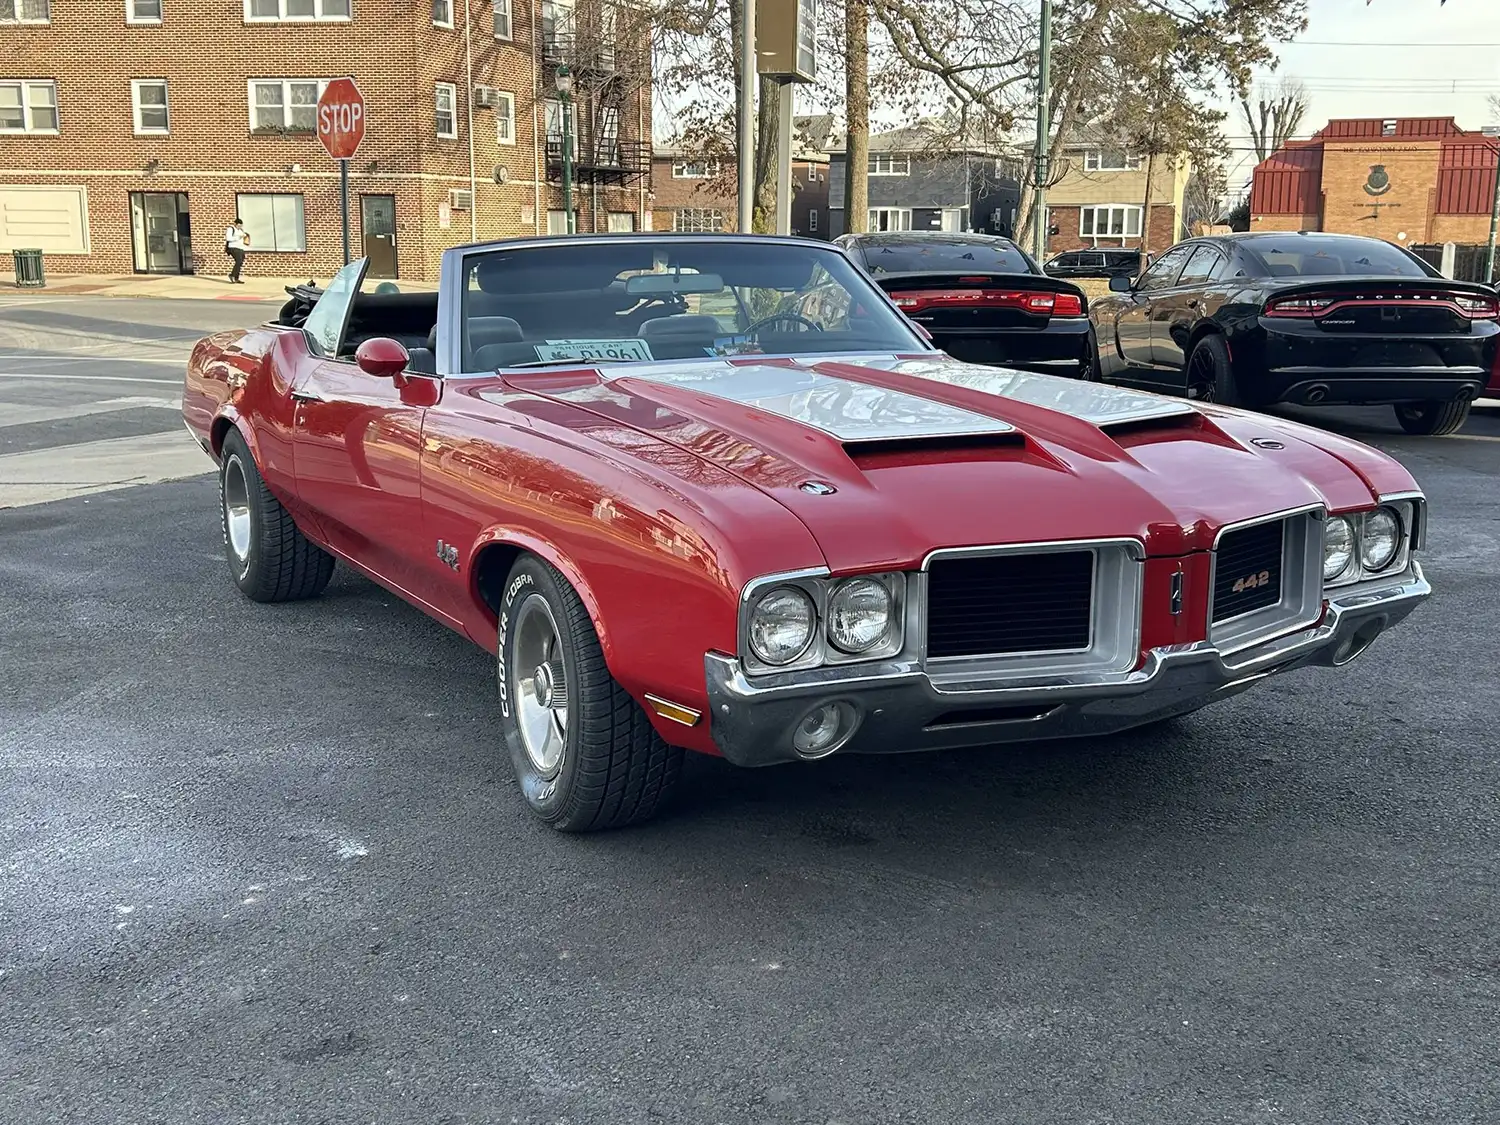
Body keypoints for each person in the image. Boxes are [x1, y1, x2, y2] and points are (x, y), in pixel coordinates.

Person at [225, 218, 249, 284]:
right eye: (238, 225)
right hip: (233, 247)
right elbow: (228, 238)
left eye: (241, 225)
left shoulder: (241, 230)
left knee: (240, 262)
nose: (239, 227)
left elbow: (243, 237)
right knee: (238, 261)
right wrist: (238, 237)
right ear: (235, 224)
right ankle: (232, 275)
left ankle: (236, 278)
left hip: (240, 248)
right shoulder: (230, 229)